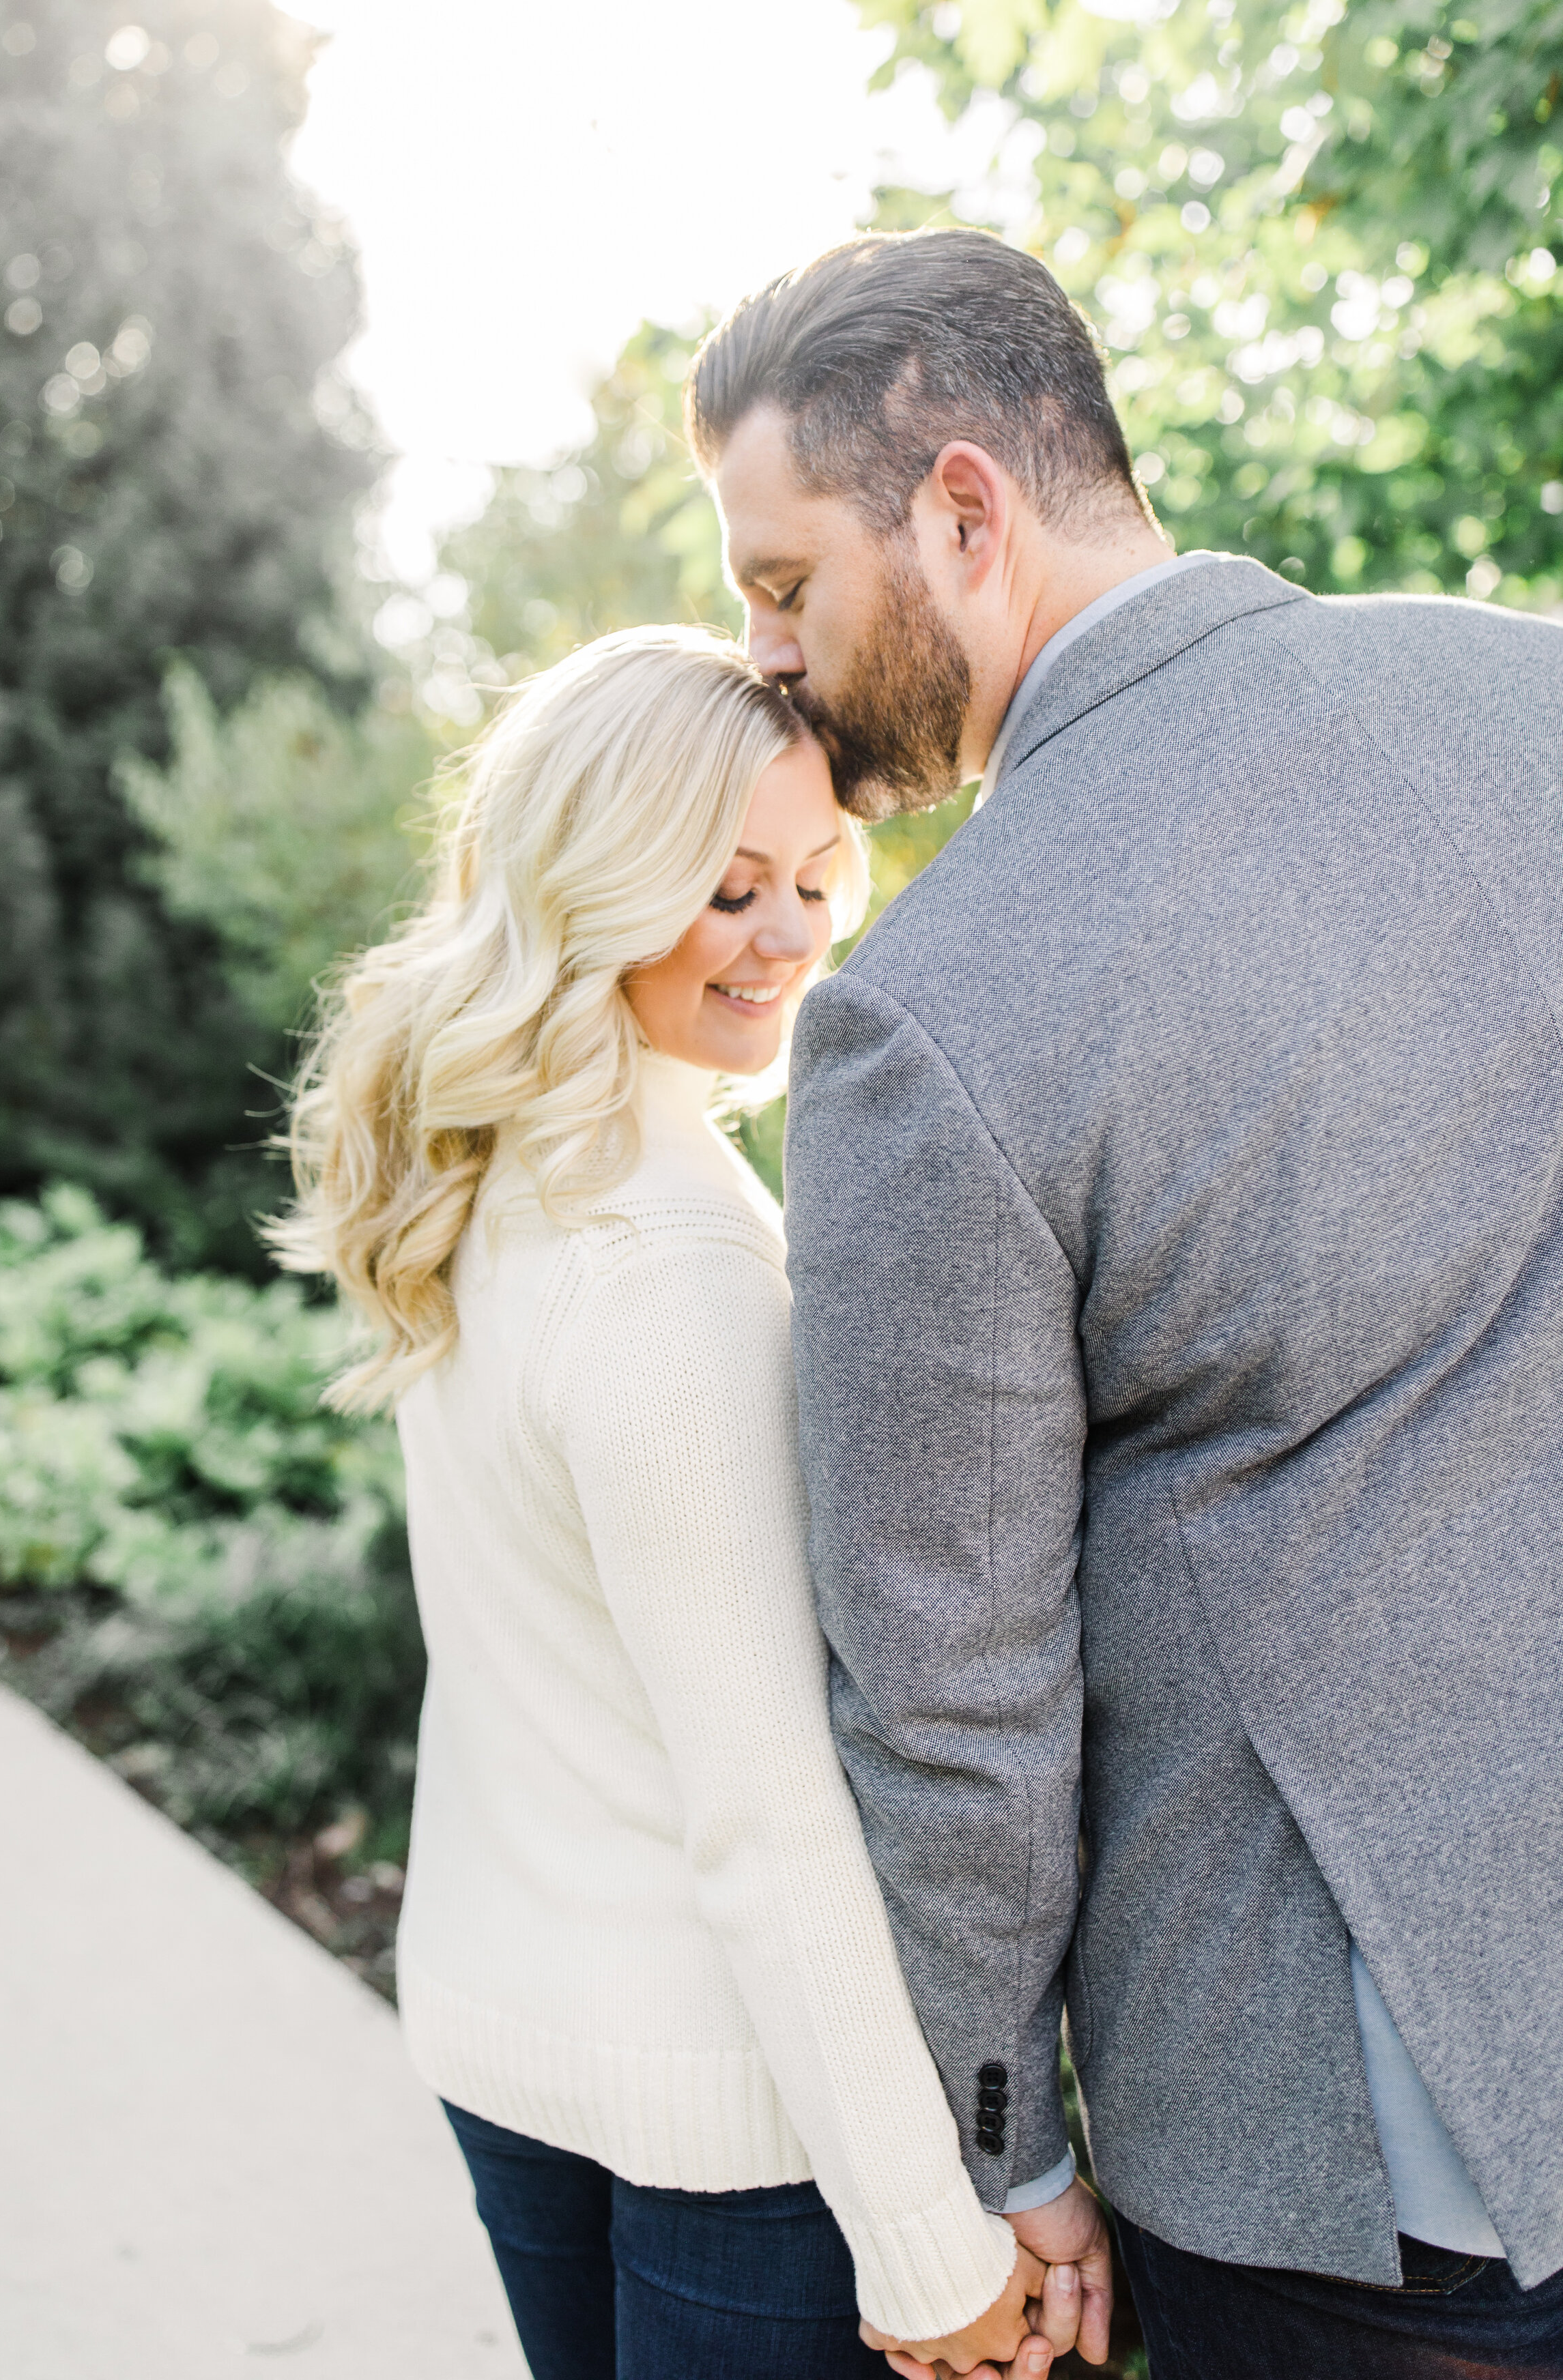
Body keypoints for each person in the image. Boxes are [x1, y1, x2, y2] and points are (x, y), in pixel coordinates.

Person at [685, 227, 1563, 2380]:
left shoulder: (932, 1020)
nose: (767, 657)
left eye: (783, 582)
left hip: (1356, 2160)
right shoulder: (1531, 698)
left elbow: (952, 1698)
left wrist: (998, 2151)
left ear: (960, 511)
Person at [274, 625, 1084, 2379]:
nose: (791, 935)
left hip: (503, 2032)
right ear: (594, 887)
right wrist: (924, 2237)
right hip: (721, 2127)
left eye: (812, 875)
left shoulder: (479, 1173)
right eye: (726, 890)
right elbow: (765, 1810)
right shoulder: (666, 1264)